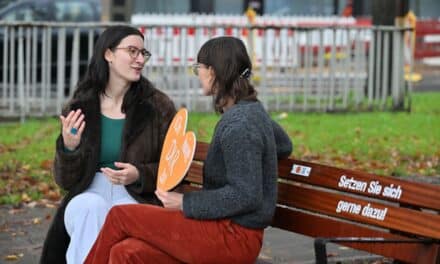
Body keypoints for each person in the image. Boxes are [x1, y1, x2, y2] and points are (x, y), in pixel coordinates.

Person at [84, 36, 293, 264]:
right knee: (126, 252)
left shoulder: (240, 124)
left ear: (213, 72)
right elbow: (284, 145)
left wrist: (184, 203)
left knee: (119, 216)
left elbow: (245, 195)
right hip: (224, 229)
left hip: (232, 237)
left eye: (199, 68)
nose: (198, 75)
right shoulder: (251, 111)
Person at [40, 25, 176, 264]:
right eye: (132, 51)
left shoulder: (157, 106)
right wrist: (69, 148)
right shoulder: (82, 105)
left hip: (136, 195)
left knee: (123, 212)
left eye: (143, 53)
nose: (139, 59)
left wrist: (139, 174)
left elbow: (173, 167)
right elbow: (65, 181)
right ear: (108, 54)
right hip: (89, 189)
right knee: (88, 207)